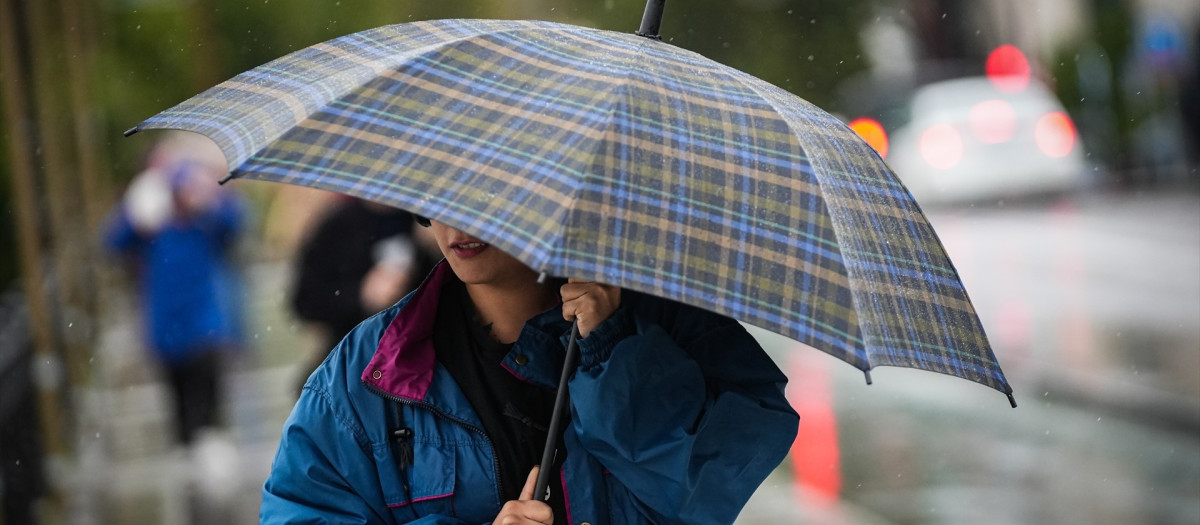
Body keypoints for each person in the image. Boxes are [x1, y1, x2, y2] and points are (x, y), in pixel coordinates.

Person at [261, 217, 800, 524]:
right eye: (441, 189)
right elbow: (303, 511)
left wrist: (617, 353)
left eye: (484, 186)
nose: (459, 218)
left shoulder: (666, 325)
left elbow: (701, 492)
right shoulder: (365, 373)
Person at [103, 133, 247, 448]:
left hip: (204, 328)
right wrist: (133, 215)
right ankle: (191, 455)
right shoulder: (152, 227)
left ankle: (209, 450)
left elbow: (236, 223)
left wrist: (211, 197)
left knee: (208, 405)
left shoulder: (206, 224)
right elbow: (113, 242)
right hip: (166, 330)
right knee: (180, 409)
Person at [289, 196, 438, 392]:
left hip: (420, 359)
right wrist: (361, 294)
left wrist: (433, 249)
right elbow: (305, 301)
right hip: (353, 361)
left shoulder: (424, 223)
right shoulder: (337, 226)